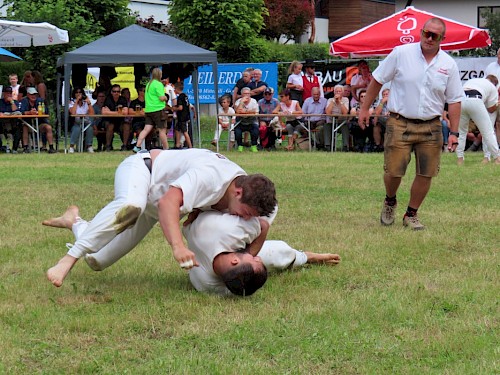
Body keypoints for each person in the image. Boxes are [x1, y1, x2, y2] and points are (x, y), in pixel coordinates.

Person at [44, 149, 277, 288]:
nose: (241, 218)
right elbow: (168, 202)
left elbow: (211, 202)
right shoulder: (211, 176)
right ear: (239, 192)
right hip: (143, 171)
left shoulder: (238, 186)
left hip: (153, 208)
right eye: (245, 213)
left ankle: (74, 221)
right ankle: (67, 260)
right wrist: (178, 246)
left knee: (97, 261)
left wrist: (198, 209)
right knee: (131, 205)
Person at [359, 17, 464, 230]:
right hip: (400, 122)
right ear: (421, 32)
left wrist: (454, 132)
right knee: (393, 171)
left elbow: (454, 100)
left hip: (432, 125)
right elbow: (377, 80)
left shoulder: (448, 64)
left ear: (442, 38)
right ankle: (390, 200)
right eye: (427, 33)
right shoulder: (401, 53)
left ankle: (411, 214)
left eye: (435, 35)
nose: (429, 38)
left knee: (427, 172)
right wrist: (364, 108)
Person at [83, 210, 340, 296]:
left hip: (195, 223)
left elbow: (262, 225)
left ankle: (77, 224)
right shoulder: (221, 274)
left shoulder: (209, 277)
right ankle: (309, 257)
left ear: (237, 258)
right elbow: (263, 224)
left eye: (254, 258)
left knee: (273, 256)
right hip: (197, 224)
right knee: (277, 255)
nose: (257, 255)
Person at [456, 75, 499, 165]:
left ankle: (460, 158)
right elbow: (491, 109)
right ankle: (497, 157)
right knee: (488, 131)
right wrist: (497, 104)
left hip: (461, 100)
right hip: (475, 100)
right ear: (494, 84)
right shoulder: (492, 87)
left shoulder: (474, 80)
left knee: (461, 132)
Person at [134, 68, 169, 152]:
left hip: (149, 110)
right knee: (162, 130)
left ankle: (137, 146)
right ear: (159, 75)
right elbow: (161, 98)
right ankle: (166, 148)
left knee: (146, 129)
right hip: (158, 110)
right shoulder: (158, 84)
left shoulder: (149, 84)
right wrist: (166, 97)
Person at [19, 87, 57, 154]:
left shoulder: (40, 101)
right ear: (28, 95)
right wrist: (29, 112)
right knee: (25, 127)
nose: (33, 96)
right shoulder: (24, 101)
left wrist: (39, 112)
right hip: (29, 124)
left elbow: (46, 111)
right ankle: (25, 147)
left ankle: (51, 147)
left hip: (40, 124)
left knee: (48, 127)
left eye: (35, 94)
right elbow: (21, 112)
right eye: (31, 94)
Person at [102, 84, 129, 151]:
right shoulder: (108, 99)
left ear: (120, 92)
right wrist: (118, 112)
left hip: (120, 122)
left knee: (126, 126)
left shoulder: (123, 99)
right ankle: (108, 146)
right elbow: (103, 112)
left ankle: (125, 146)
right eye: (114, 91)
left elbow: (125, 112)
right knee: (110, 126)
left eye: (118, 91)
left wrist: (110, 112)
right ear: (111, 92)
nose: (116, 93)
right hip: (109, 121)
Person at [68, 87, 95, 153]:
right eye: (77, 92)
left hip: (85, 121)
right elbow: (73, 113)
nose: (78, 94)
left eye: (80, 92)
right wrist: (77, 101)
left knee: (90, 128)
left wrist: (89, 103)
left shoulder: (85, 102)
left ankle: (89, 146)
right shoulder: (71, 102)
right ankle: (71, 146)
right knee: (77, 128)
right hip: (75, 121)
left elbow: (92, 114)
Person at [234, 87, 259, 152]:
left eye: (248, 94)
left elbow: (255, 112)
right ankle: (240, 146)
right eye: (245, 94)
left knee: (255, 129)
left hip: (251, 122)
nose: (246, 95)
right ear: (242, 95)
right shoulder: (238, 102)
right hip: (240, 122)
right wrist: (242, 102)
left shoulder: (254, 101)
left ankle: (253, 146)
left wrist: (244, 111)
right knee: (237, 131)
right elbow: (237, 112)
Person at [325, 84, 350, 152]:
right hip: (331, 121)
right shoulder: (330, 100)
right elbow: (327, 112)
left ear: (342, 92)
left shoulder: (345, 100)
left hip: (342, 122)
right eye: (336, 91)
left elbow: (345, 112)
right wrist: (334, 101)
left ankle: (345, 146)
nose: (338, 93)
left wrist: (340, 101)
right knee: (327, 126)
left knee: (345, 127)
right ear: (334, 92)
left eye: (339, 91)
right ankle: (328, 146)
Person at [171, 82, 193, 149]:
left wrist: (174, 108)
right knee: (177, 129)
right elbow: (188, 106)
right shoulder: (185, 96)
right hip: (185, 116)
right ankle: (177, 144)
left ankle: (190, 146)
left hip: (182, 117)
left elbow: (180, 108)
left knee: (185, 132)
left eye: (174, 89)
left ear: (177, 89)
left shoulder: (180, 97)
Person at [0, 86, 21, 153]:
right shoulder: (0, 102)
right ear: (3, 94)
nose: (8, 94)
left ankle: (14, 149)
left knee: (19, 129)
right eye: (7, 93)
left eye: (10, 93)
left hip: (12, 124)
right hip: (1, 124)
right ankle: (2, 147)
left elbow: (17, 111)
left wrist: (12, 102)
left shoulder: (15, 102)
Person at [372, 88, 391, 152]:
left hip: (392, 122)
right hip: (382, 122)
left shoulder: (394, 101)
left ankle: (387, 147)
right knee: (376, 128)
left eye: (387, 94)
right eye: (384, 94)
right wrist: (382, 103)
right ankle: (378, 146)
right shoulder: (380, 101)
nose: (385, 96)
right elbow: (377, 112)